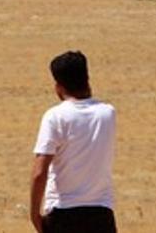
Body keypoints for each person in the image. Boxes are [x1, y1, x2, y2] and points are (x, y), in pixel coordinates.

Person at [30, 51, 117, 233]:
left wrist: (34, 215)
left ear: (58, 86)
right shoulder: (108, 113)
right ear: (87, 78)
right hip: (101, 213)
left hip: (63, 213)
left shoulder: (55, 117)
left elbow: (39, 172)